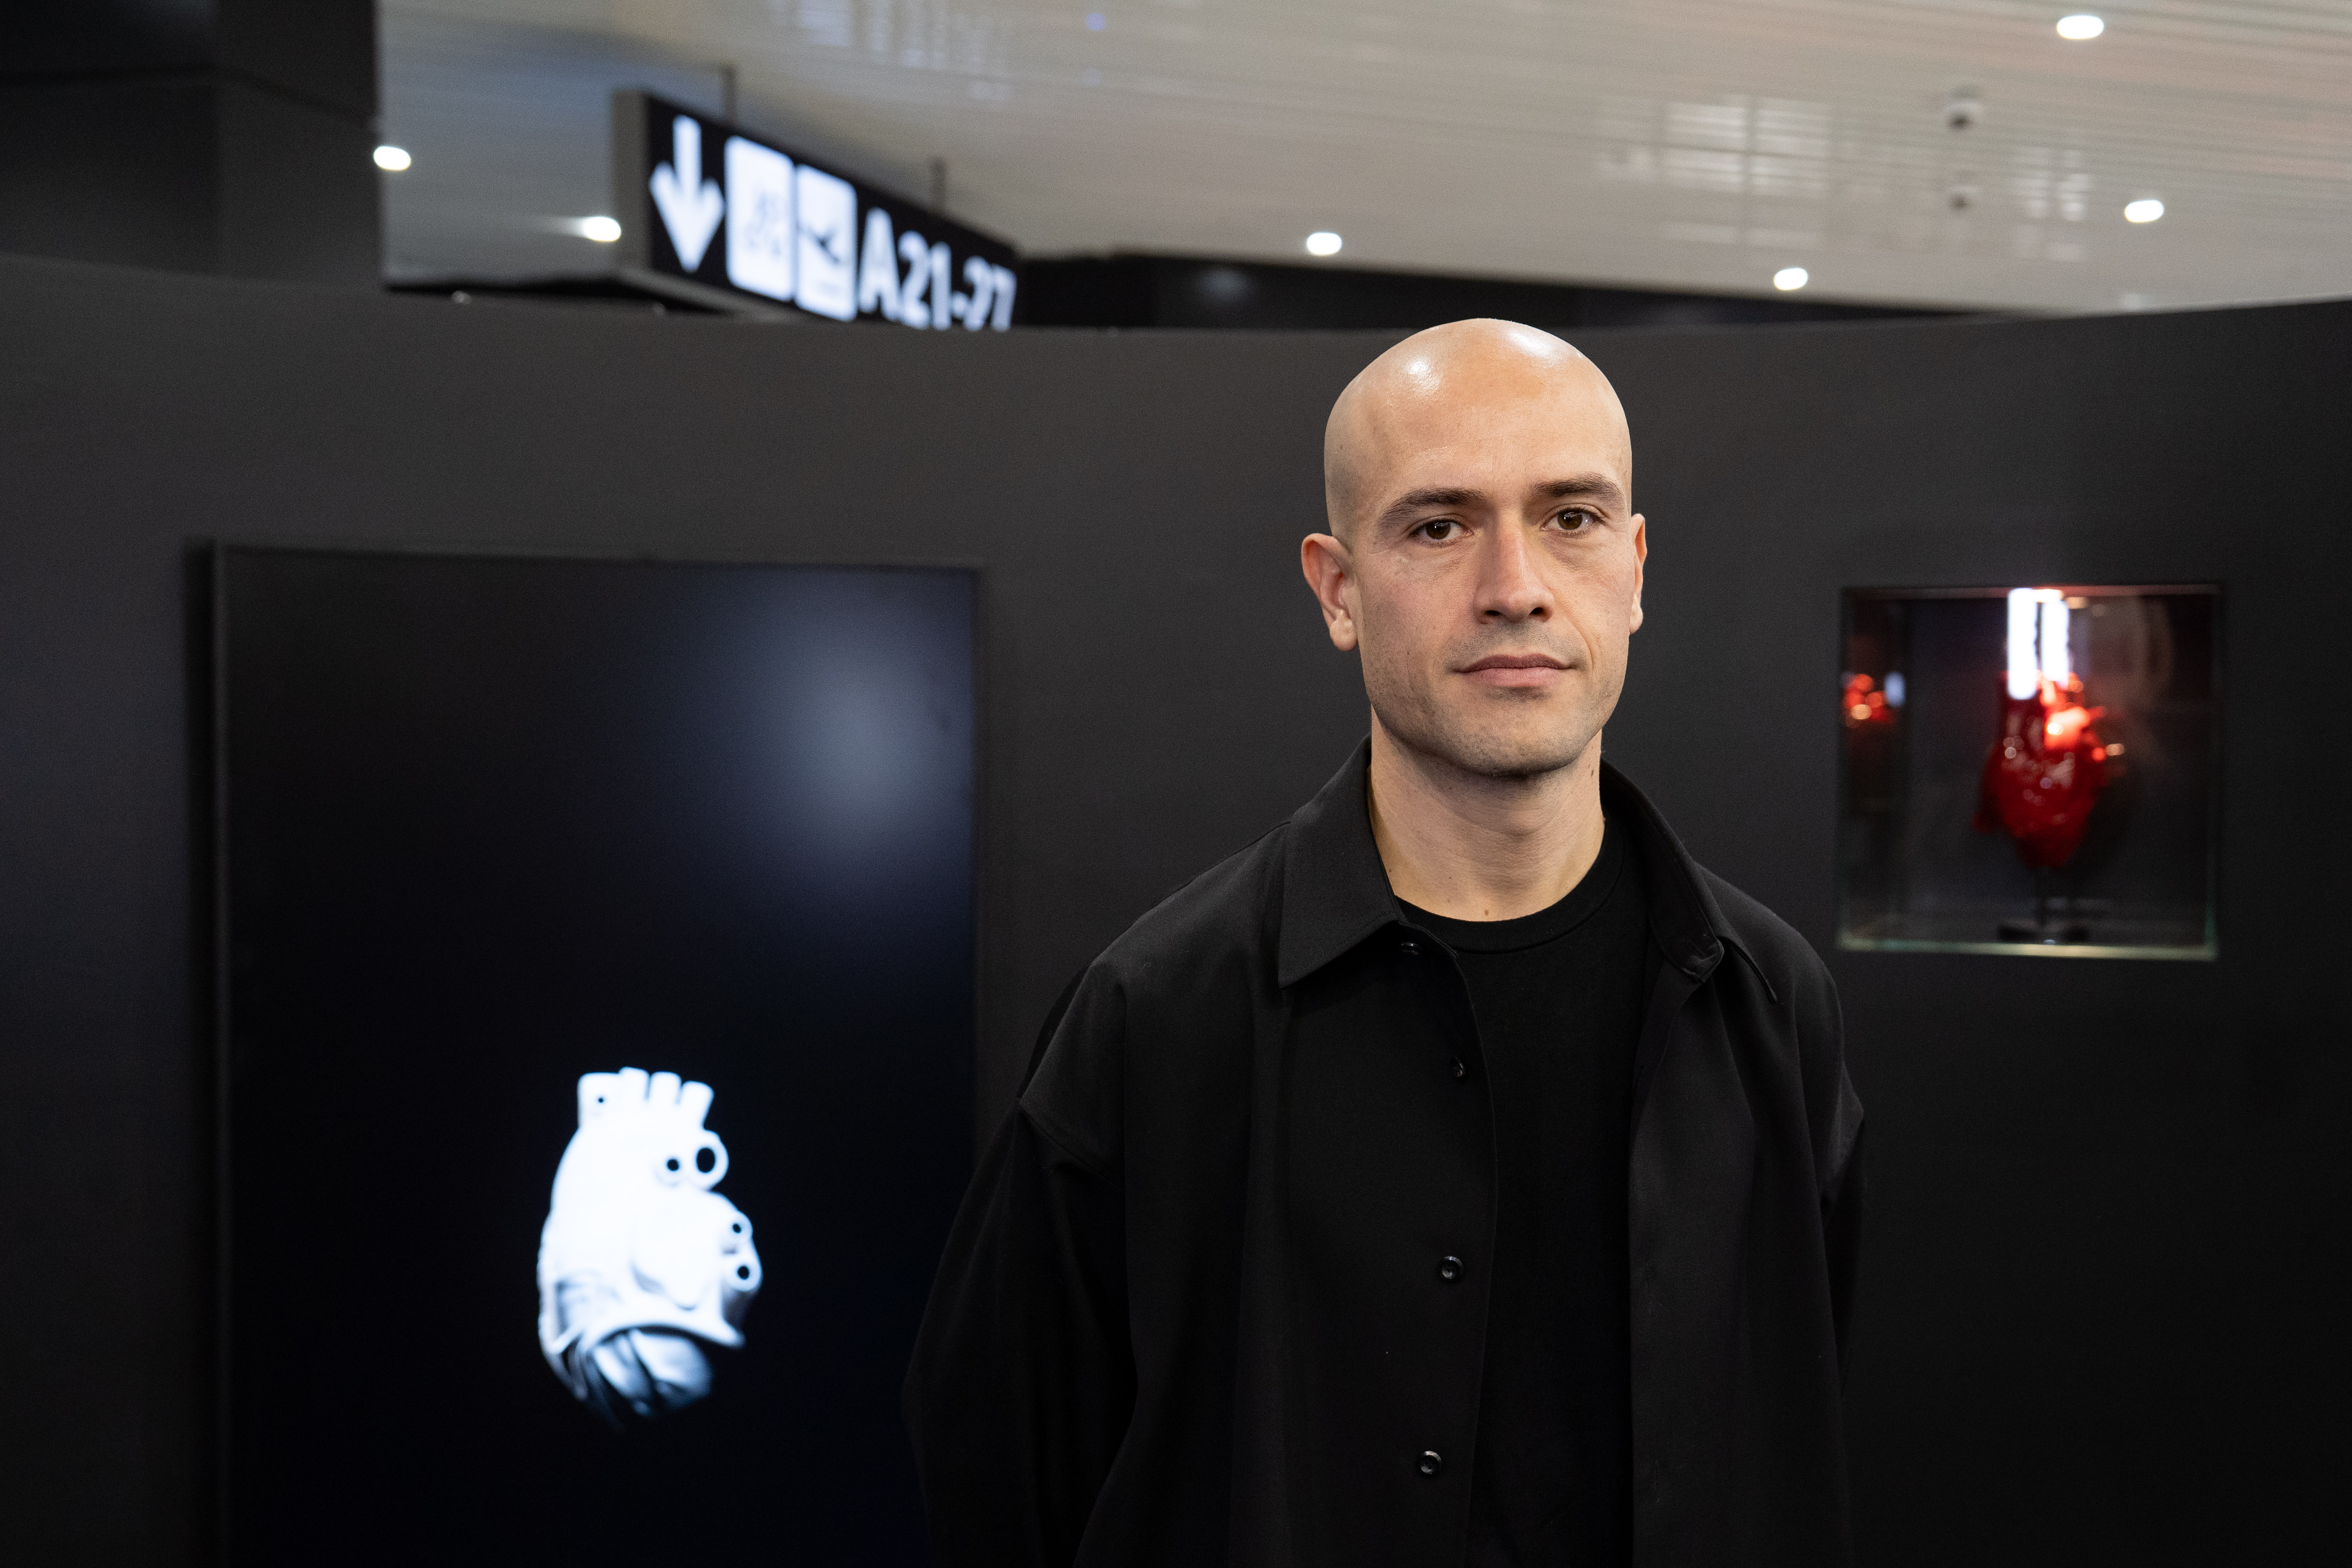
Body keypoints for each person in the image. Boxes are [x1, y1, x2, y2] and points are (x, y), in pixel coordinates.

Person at [904, 320, 1864, 1568]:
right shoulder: (1156, 1019)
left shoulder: (1769, 1005)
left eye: (1570, 518)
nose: (1515, 586)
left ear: (1633, 569)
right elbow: (1002, 1473)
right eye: (1439, 527)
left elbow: (1791, 1429)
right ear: (1338, 590)